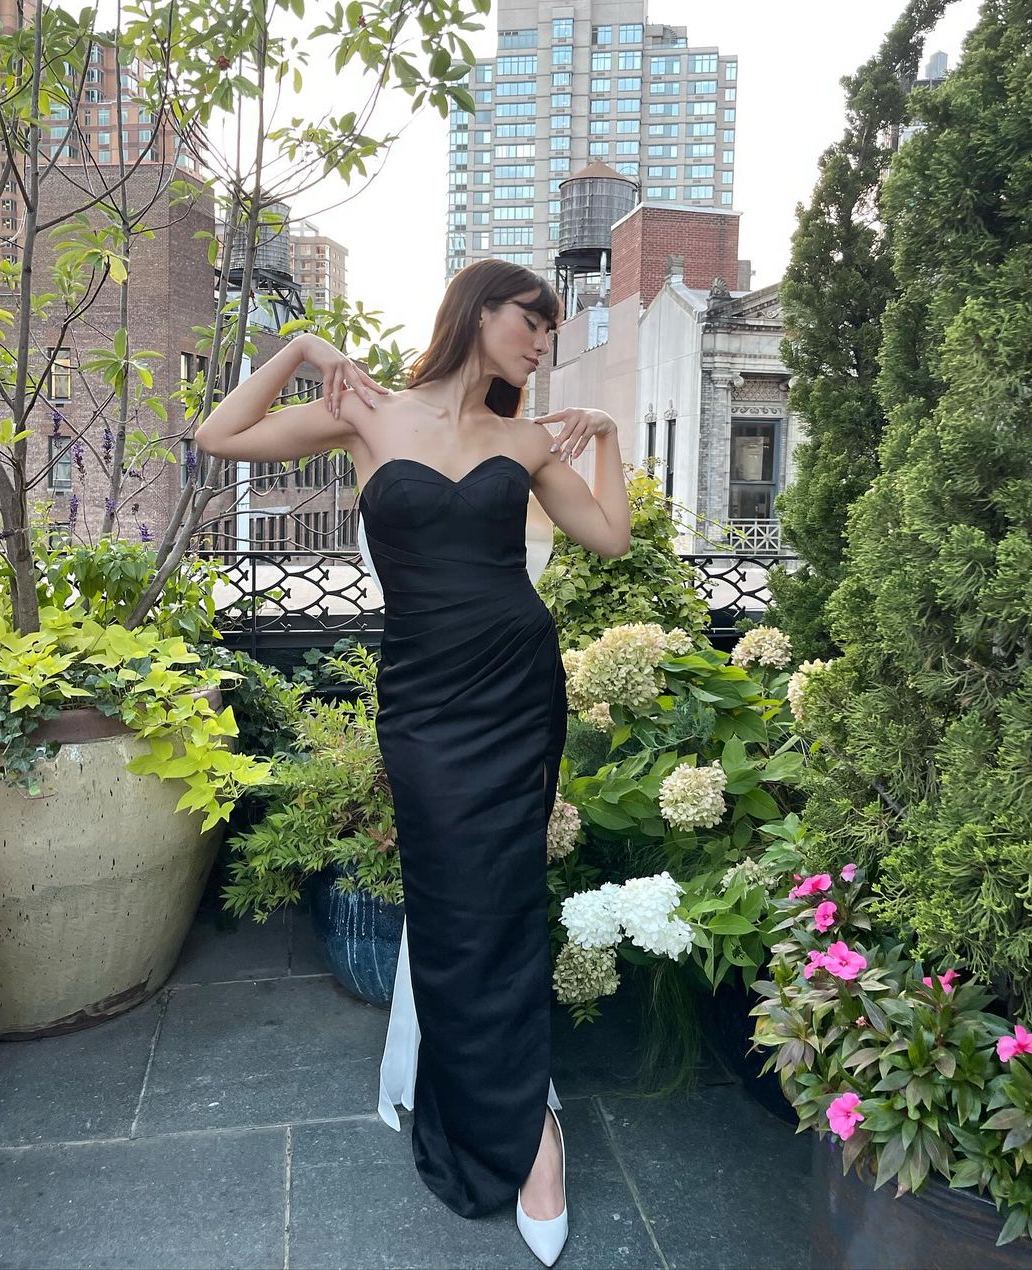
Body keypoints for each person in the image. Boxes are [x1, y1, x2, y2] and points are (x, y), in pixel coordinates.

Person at [196, 259, 631, 1265]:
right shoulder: (367, 412)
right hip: (427, 704)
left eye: (549, 331)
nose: (542, 344)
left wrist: (606, 434)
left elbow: (608, 536)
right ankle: (485, 1096)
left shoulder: (525, 439)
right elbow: (218, 435)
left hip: (517, 689)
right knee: (447, 902)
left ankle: (535, 1134)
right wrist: (304, 349)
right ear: (479, 311)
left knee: (507, 898)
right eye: (532, 322)